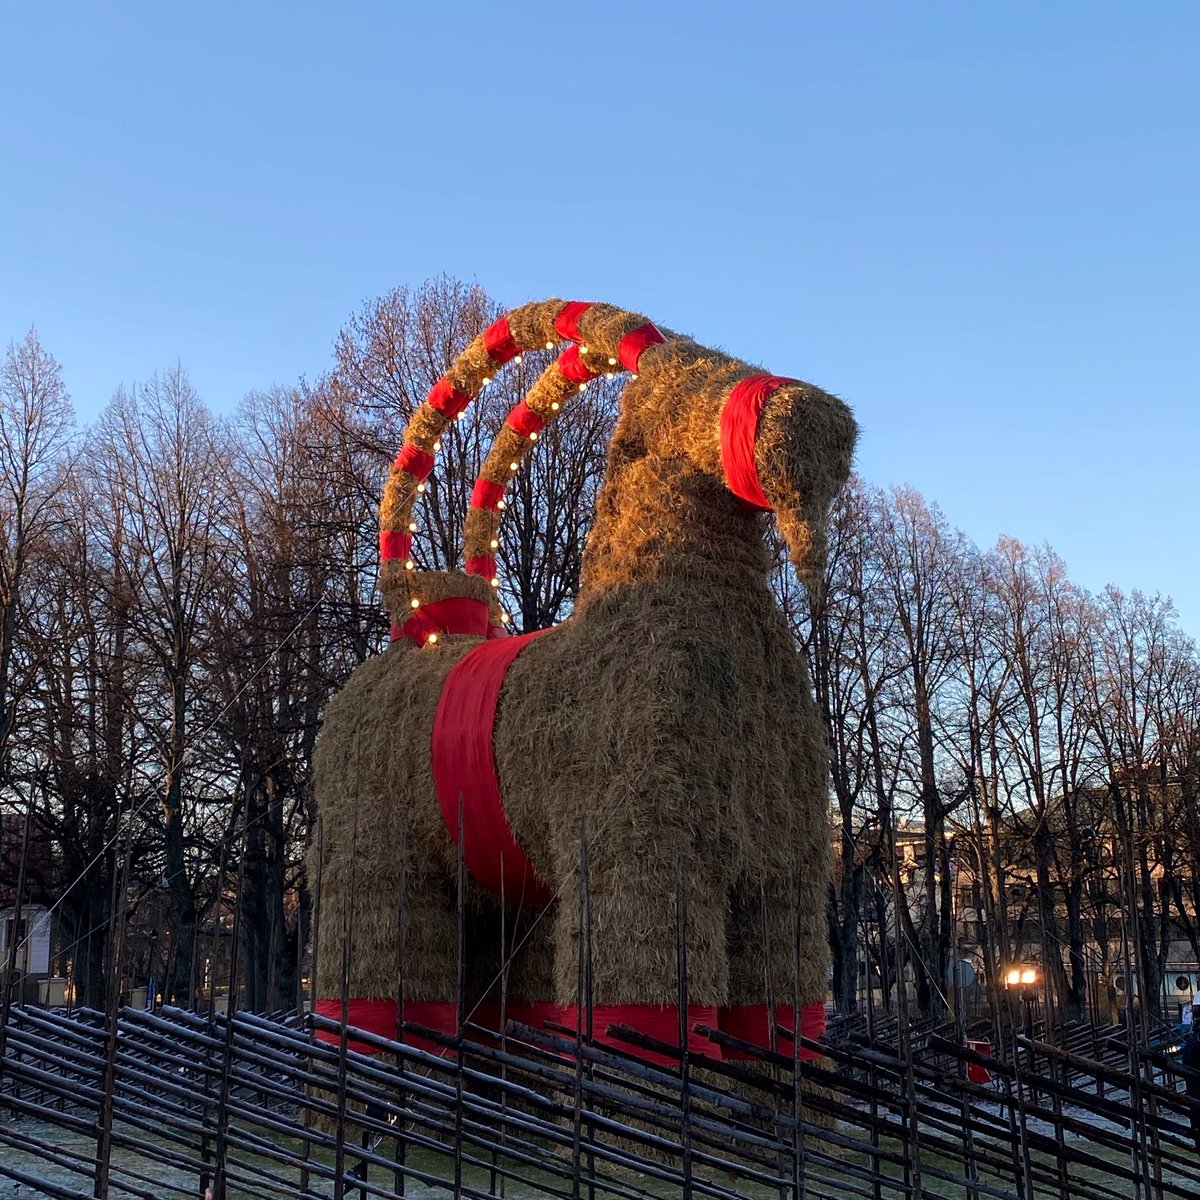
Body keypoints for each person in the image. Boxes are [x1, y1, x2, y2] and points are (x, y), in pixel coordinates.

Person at [1181, 1021, 1200, 1151]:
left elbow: (1184, 1063)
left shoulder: (1190, 1043)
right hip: (1195, 1086)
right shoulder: (1193, 1044)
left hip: (1193, 1086)